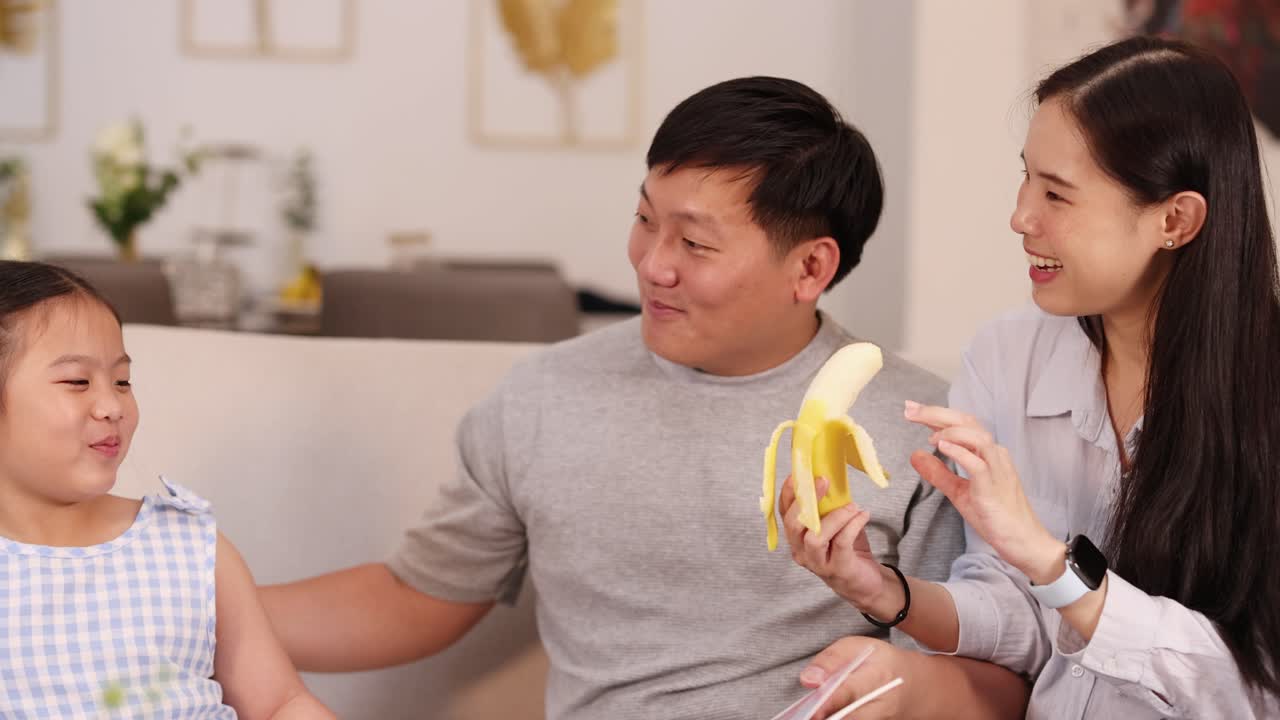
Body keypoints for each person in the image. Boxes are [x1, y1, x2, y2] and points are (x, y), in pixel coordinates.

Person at [260, 77, 1030, 719]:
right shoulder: (542, 397)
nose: (651, 265)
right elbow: (414, 598)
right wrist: (184, 599)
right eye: (643, 220)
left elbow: (998, 680)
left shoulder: (920, 430)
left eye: (694, 244)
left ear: (810, 269)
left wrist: (901, 686)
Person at [787, 36, 1280, 718]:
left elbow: (1252, 690)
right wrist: (886, 592)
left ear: (1175, 219)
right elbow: (1020, 616)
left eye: (1057, 193)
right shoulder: (1005, 356)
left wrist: (1053, 564)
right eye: (1026, 178)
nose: (1021, 217)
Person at [0, 261, 335, 719]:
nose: (111, 405)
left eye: (122, 381)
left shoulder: (187, 545)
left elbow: (281, 702)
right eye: (78, 381)